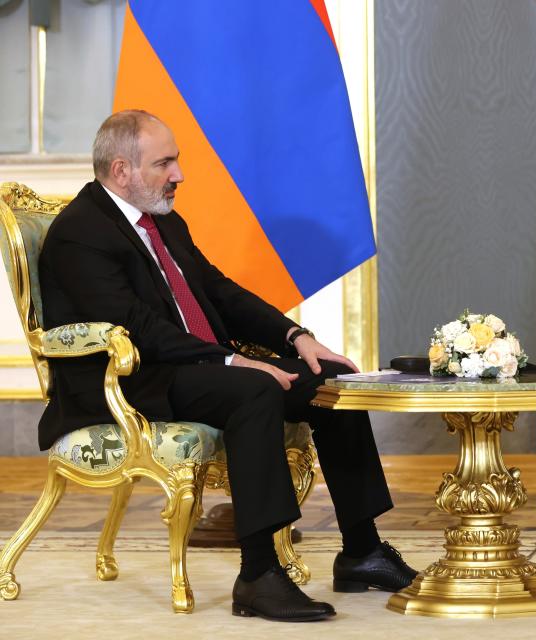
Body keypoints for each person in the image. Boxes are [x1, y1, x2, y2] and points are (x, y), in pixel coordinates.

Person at [38, 110, 417, 622]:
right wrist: (232, 359)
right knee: (252, 390)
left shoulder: (164, 221)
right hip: (128, 381)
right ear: (122, 170)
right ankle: (259, 575)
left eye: (177, 161)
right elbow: (133, 325)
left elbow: (219, 291)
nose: (179, 175)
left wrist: (296, 336)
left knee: (331, 382)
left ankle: (362, 551)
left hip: (192, 365)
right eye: (165, 163)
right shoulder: (79, 232)